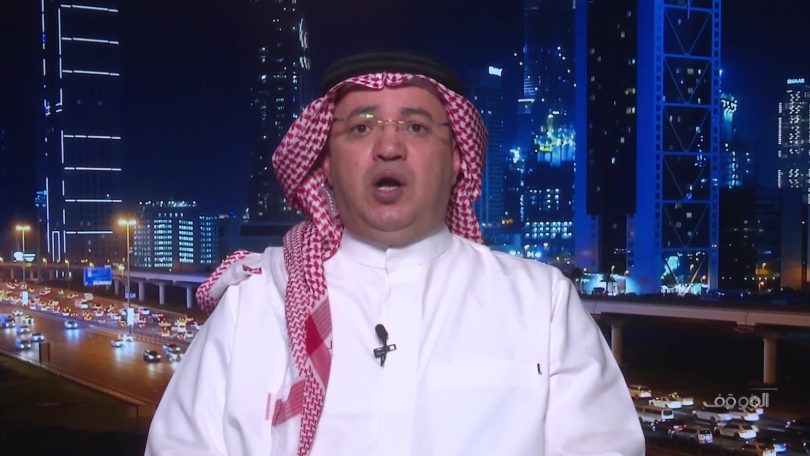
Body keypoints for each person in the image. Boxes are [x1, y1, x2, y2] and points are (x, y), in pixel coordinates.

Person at [145, 52, 645, 456]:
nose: (389, 147)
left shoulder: (541, 304)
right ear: (326, 162)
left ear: (456, 159)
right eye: (361, 128)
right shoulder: (254, 303)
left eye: (416, 127)